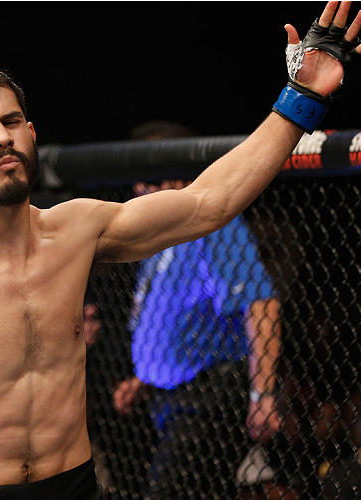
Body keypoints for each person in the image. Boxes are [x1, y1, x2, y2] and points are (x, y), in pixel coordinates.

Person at [0, 4, 361, 498]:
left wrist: (301, 98)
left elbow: (209, 203)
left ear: (31, 134)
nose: (2, 137)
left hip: (75, 485)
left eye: (11, 122)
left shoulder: (76, 232)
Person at [112, 175, 281, 498]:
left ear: (177, 181)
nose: (138, 191)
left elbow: (260, 300)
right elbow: (177, 320)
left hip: (209, 397)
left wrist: (263, 393)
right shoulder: (160, 238)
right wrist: (143, 379)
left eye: (149, 182)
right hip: (167, 400)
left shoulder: (212, 223)